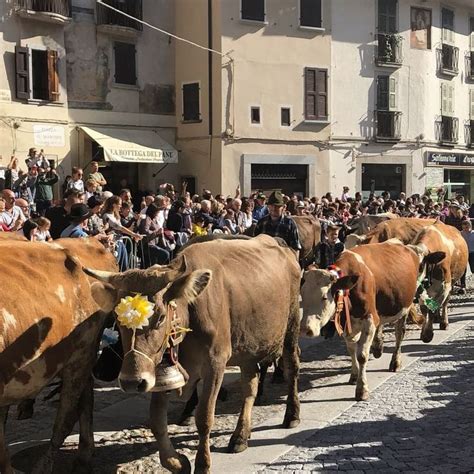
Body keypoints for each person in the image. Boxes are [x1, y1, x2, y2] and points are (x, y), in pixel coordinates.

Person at [138, 203, 171, 267]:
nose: (157, 214)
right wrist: (156, 232)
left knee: (149, 264)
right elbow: (145, 231)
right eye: (157, 212)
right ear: (153, 211)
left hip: (154, 243)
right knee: (165, 254)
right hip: (147, 245)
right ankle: (156, 268)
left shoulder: (154, 219)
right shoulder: (147, 219)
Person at [460, 220, 474, 293]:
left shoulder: (473, 233)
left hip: (472, 253)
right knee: (463, 270)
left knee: (473, 269)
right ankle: (463, 286)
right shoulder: (460, 234)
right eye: (464, 227)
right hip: (463, 253)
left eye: (467, 227)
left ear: (470, 226)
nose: (466, 229)